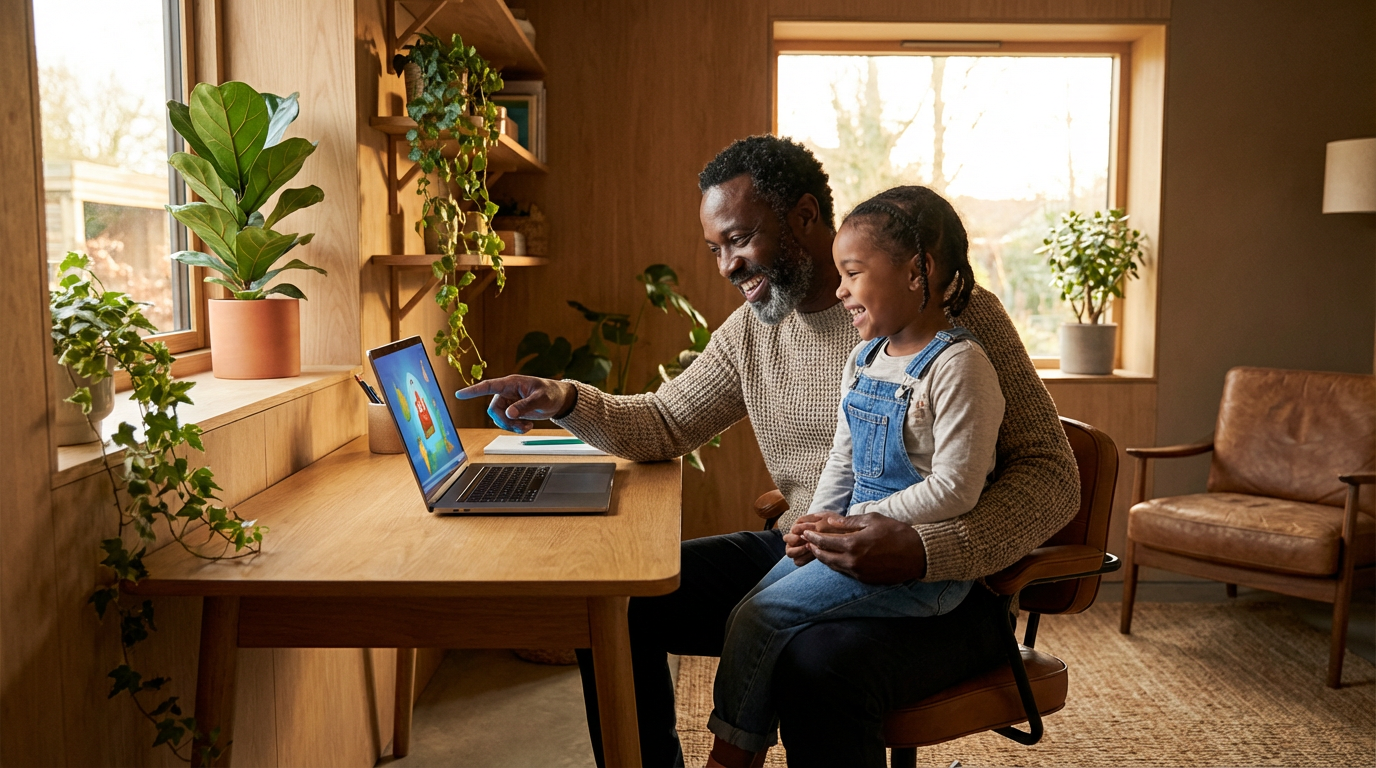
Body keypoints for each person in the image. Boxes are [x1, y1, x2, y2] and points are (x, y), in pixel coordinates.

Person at [457, 136, 1079, 768]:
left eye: (739, 239)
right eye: (715, 248)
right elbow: (665, 422)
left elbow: (1053, 476)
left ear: (804, 218)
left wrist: (923, 549)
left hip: (951, 589)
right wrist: (563, 398)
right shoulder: (755, 330)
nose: (725, 265)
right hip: (812, 548)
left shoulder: (958, 318)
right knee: (614, 606)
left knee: (815, 667)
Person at [704, 186, 1005, 767]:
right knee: (754, 608)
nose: (839, 289)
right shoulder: (865, 357)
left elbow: (956, 489)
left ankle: (731, 758)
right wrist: (817, 520)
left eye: (853, 272)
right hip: (849, 538)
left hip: (923, 569)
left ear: (918, 271)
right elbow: (844, 459)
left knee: (760, 618)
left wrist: (852, 525)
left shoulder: (960, 366)